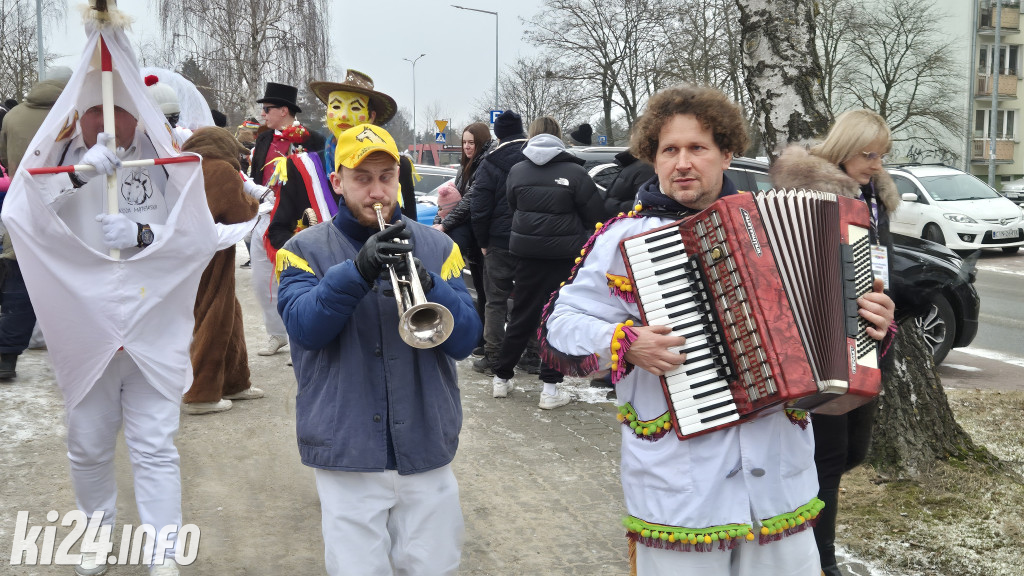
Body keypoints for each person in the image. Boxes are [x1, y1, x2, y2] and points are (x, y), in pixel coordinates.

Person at [540, 84, 896, 574]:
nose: (682, 162)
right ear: (653, 158)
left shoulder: (779, 222)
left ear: (727, 153)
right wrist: (625, 341)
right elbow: (559, 326)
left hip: (779, 482)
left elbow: (841, 323)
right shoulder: (622, 238)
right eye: (670, 150)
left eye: (697, 148)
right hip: (681, 486)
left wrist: (873, 323)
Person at [1, 22, 246, 574]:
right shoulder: (54, 160)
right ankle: (96, 538)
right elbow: (17, 219)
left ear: (139, 111)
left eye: (119, 111)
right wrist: (75, 179)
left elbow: (198, 236)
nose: (107, 123)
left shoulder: (166, 162)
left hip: (149, 322)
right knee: (87, 444)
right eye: (94, 112)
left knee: (155, 444)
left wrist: (143, 238)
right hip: (83, 327)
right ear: (77, 113)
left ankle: (163, 553)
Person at [276, 123, 481, 575]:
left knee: (434, 565)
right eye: (362, 179)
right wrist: (357, 270)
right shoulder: (301, 250)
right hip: (347, 449)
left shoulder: (439, 246)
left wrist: (430, 284)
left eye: (386, 177)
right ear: (337, 182)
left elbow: (466, 339)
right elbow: (306, 329)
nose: (377, 192)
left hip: (425, 442)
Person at [770, 108, 901, 576]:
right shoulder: (812, 194)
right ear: (845, 149)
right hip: (816, 346)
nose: (877, 165)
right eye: (869, 154)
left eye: (882, 155)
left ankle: (801, 530)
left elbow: (880, 265)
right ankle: (819, 561)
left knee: (853, 453)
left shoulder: (872, 197)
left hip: (863, 340)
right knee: (826, 456)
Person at [491, 116, 604, 406]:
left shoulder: (517, 170)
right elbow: (595, 214)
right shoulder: (576, 173)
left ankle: (501, 379)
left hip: (525, 254)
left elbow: (513, 204)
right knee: (555, 317)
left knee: (521, 314)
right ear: (559, 140)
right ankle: (550, 390)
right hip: (563, 255)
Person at [268, 70, 416, 256]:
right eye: (336, 106)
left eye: (354, 108)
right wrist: (311, 253)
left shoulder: (398, 165)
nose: (343, 116)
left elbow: (410, 229)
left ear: (371, 117)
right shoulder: (300, 167)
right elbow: (278, 231)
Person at [180, 127, 262, 415]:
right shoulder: (221, 170)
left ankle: (234, 382)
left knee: (230, 313)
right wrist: (256, 203)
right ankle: (201, 392)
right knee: (214, 317)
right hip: (211, 253)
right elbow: (238, 211)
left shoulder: (186, 165)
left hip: (186, 251)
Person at [0, 67, 72, 380]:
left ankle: (5, 356)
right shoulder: (72, 114)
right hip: (68, 201)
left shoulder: (12, 116)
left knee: (19, 279)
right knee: (75, 276)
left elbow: (3, 157)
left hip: (23, 203)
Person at [245, 82, 325, 358]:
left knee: (294, 277)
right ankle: (276, 333)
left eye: (267, 109)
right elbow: (256, 175)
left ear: (283, 110)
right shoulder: (264, 139)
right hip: (265, 213)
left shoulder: (312, 139)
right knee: (261, 278)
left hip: (297, 218)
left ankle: (299, 337)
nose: (263, 114)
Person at [469, 110, 528, 376]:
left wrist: (482, 241)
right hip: (530, 241)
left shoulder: (490, 162)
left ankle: (494, 357)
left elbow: (479, 207)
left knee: (495, 300)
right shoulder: (535, 156)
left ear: (498, 134)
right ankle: (534, 356)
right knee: (530, 299)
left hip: (498, 241)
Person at [432, 122, 493, 353]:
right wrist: (441, 218)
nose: (467, 147)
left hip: (483, 234)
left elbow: (469, 202)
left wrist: (446, 225)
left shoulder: (485, 164)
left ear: (481, 142)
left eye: (472, 143)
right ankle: (482, 338)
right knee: (478, 286)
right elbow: (457, 197)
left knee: (487, 290)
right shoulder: (466, 165)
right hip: (473, 234)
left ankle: (488, 341)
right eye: (465, 142)